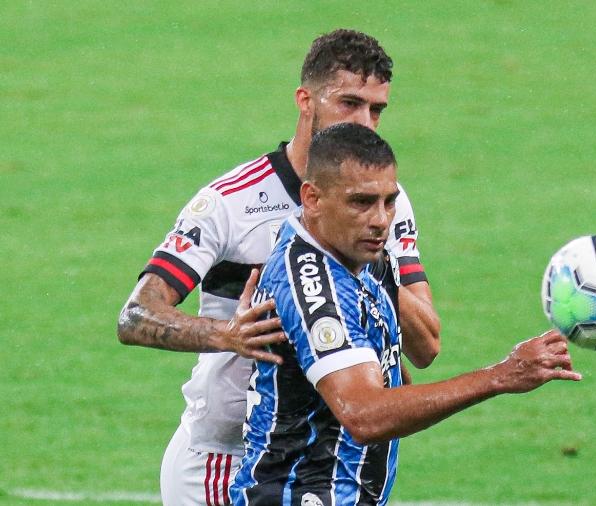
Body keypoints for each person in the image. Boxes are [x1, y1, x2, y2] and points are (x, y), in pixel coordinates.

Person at [117, 30, 440, 506]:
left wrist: (366, 264)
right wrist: (226, 335)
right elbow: (136, 315)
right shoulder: (231, 202)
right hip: (222, 459)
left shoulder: (383, 202)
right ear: (305, 100)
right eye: (350, 103)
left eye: (377, 110)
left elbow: (426, 346)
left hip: (319, 458)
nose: (366, 123)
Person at [230, 123, 580, 506]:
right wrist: (501, 376)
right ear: (312, 199)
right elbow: (362, 414)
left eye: (388, 201)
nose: (381, 220)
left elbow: (418, 354)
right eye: (361, 202)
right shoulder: (312, 285)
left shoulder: (363, 254)